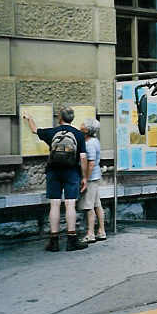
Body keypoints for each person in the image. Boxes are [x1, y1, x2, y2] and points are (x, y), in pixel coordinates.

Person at [23, 106, 89, 251]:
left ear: (60, 118)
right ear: (72, 118)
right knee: (70, 205)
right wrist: (84, 177)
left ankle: (54, 241)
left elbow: (35, 130)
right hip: (72, 172)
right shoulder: (78, 134)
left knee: (54, 204)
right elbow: (83, 157)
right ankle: (71, 240)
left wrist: (29, 118)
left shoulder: (52, 132)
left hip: (53, 171)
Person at [78, 118, 107, 243]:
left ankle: (90, 234)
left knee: (88, 206)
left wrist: (85, 178)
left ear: (87, 129)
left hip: (91, 178)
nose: (80, 125)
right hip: (95, 176)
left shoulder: (89, 144)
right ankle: (101, 231)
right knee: (97, 205)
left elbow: (90, 163)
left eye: (83, 124)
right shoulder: (95, 141)